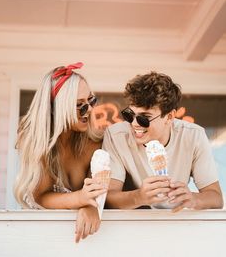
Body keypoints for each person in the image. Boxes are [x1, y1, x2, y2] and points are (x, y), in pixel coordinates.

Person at [102, 71, 223, 211]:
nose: (134, 124)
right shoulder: (116, 136)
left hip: (175, 220)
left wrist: (193, 199)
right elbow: (108, 198)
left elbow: (216, 197)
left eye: (144, 118)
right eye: (129, 115)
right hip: (133, 221)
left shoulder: (193, 136)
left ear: (170, 117)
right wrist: (139, 197)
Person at [14, 62, 107, 242]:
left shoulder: (94, 141)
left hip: (90, 238)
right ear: (55, 109)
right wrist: (81, 199)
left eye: (91, 100)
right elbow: (41, 197)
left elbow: (101, 193)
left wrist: (90, 206)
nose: (89, 110)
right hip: (43, 234)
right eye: (80, 105)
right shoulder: (36, 141)